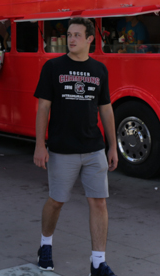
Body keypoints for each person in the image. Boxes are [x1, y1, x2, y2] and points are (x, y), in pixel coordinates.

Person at [33, 17, 119, 276]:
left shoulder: (99, 70)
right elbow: (43, 108)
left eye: (77, 35)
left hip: (94, 148)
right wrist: (40, 145)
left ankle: (98, 262)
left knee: (99, 203)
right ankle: (45, 245)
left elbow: (106, 109)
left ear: (90, 39)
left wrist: (112, 146)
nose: (71, 39)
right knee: (56, 201)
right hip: (61, 149)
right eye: (69, 34)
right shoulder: (52, 67)